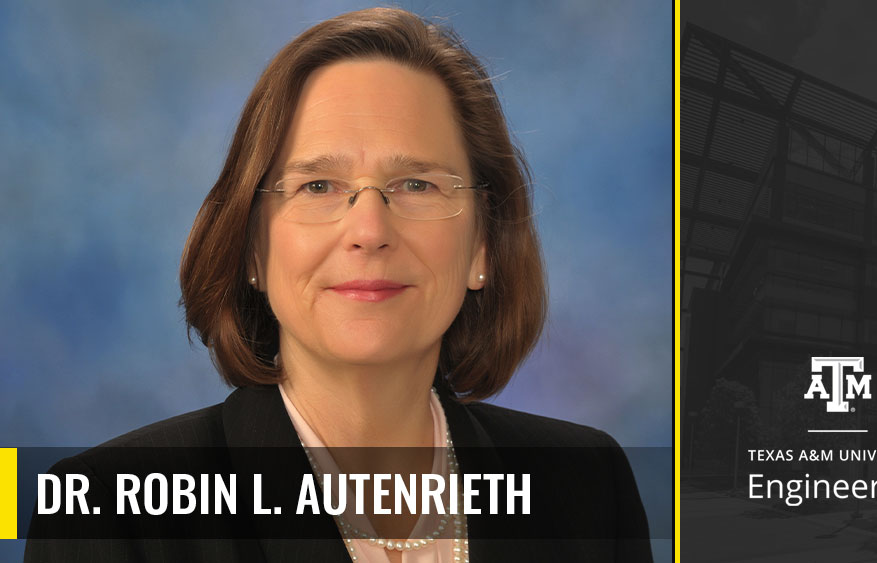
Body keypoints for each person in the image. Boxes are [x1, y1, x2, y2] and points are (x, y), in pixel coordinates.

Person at [25, 7, 651, 562]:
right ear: (252, 246)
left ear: (481, 246)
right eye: (318, 186)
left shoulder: (588, 485)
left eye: (418, 185)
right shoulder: (110, 513)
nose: (369, 230)